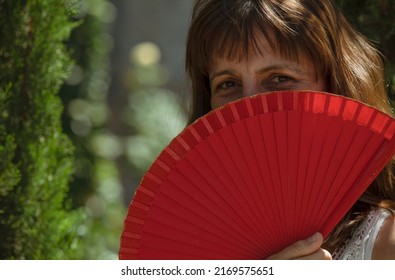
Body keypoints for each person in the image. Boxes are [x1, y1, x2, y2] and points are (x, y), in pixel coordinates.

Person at [184, 0, 395, 259]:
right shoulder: (188, 244)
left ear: (334, 88)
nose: (249, 104)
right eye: (228, 84)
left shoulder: (385, 245)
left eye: (280, 78)